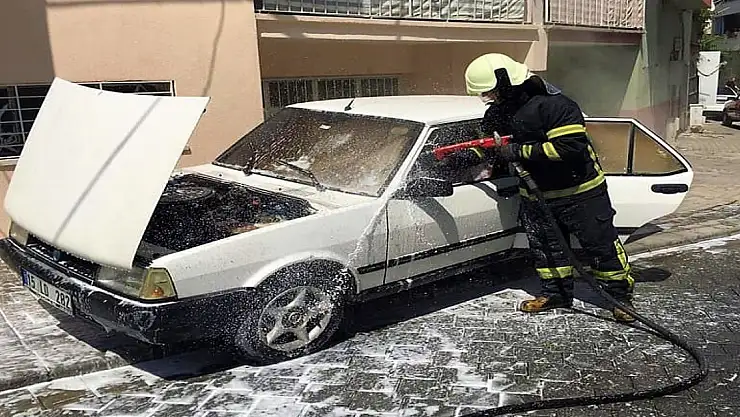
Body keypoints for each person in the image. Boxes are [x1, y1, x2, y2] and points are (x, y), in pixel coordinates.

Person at [445, 53, 636, 322]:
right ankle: (556, 294)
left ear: (506, 83)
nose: (488, 98)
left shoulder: (556, 107)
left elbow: (568, 149)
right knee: (547, 249)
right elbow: (490, 146)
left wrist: (517, 151)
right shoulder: (497, 113)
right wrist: (459, 158)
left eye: (490, 91)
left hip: (580, 193)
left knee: (600, 246)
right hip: (536, 196)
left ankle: (619, 298)